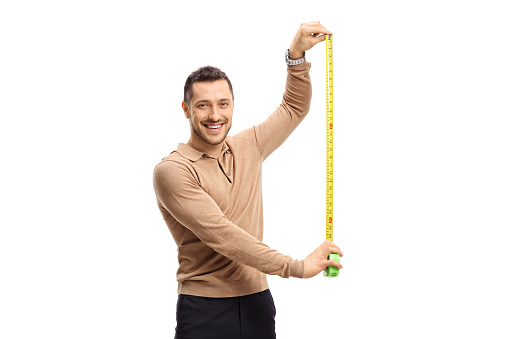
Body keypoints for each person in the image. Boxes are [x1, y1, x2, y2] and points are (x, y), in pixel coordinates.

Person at [153, 21, 343, 339]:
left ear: (232, 106)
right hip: (204, 310)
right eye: (203, 105)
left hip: (257, 304)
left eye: (223, 104)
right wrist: (296, 266)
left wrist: (296, 56)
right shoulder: (173, 171)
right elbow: (224, 236)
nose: (215, 115)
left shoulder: (248, 146)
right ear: (186, 109)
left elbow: (294, 107)